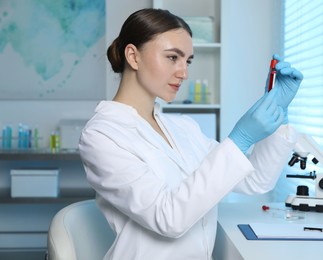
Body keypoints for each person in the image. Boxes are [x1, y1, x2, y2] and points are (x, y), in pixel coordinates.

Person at [79, 8, 303, 260]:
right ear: (133, 56)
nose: (184, 72)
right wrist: (239, 139)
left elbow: (255, 180)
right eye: (172, 57)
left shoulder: (183, 128)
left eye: (188, 61)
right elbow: (168, 218)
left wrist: (278, 118)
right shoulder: (102, 135)